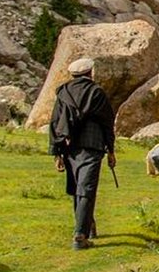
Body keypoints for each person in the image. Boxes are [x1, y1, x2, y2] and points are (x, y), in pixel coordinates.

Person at [48, 57, 117, 249]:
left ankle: (86, 225)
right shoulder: (97, 92)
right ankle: (80, 235)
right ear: (90, 73)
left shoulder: (63, 92)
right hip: (92, 146)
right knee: (87, 189)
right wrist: (111, 150)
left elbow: (55, 123)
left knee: (77, 188)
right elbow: (107, 123)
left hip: (69, 147)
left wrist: (57, 153)